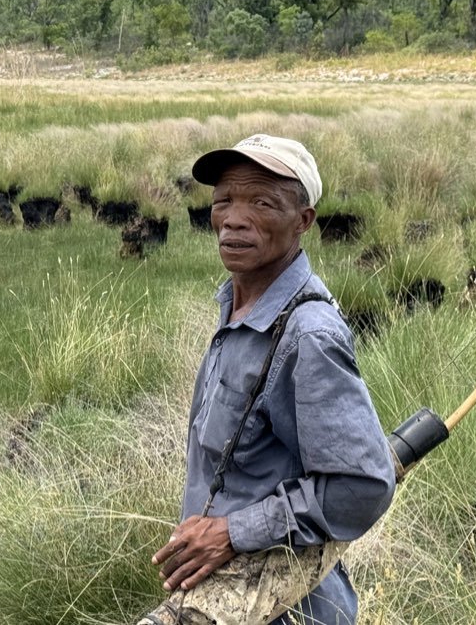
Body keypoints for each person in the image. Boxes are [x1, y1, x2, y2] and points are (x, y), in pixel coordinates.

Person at [150, 134, 397, 624]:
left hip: (288, 609)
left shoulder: (307, 335)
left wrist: (231, 532)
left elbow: (363, 487)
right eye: (224, 200)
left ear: (303, 220)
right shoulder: (239, 305)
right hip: (227, 603)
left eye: (262, 203)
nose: (234, 219)